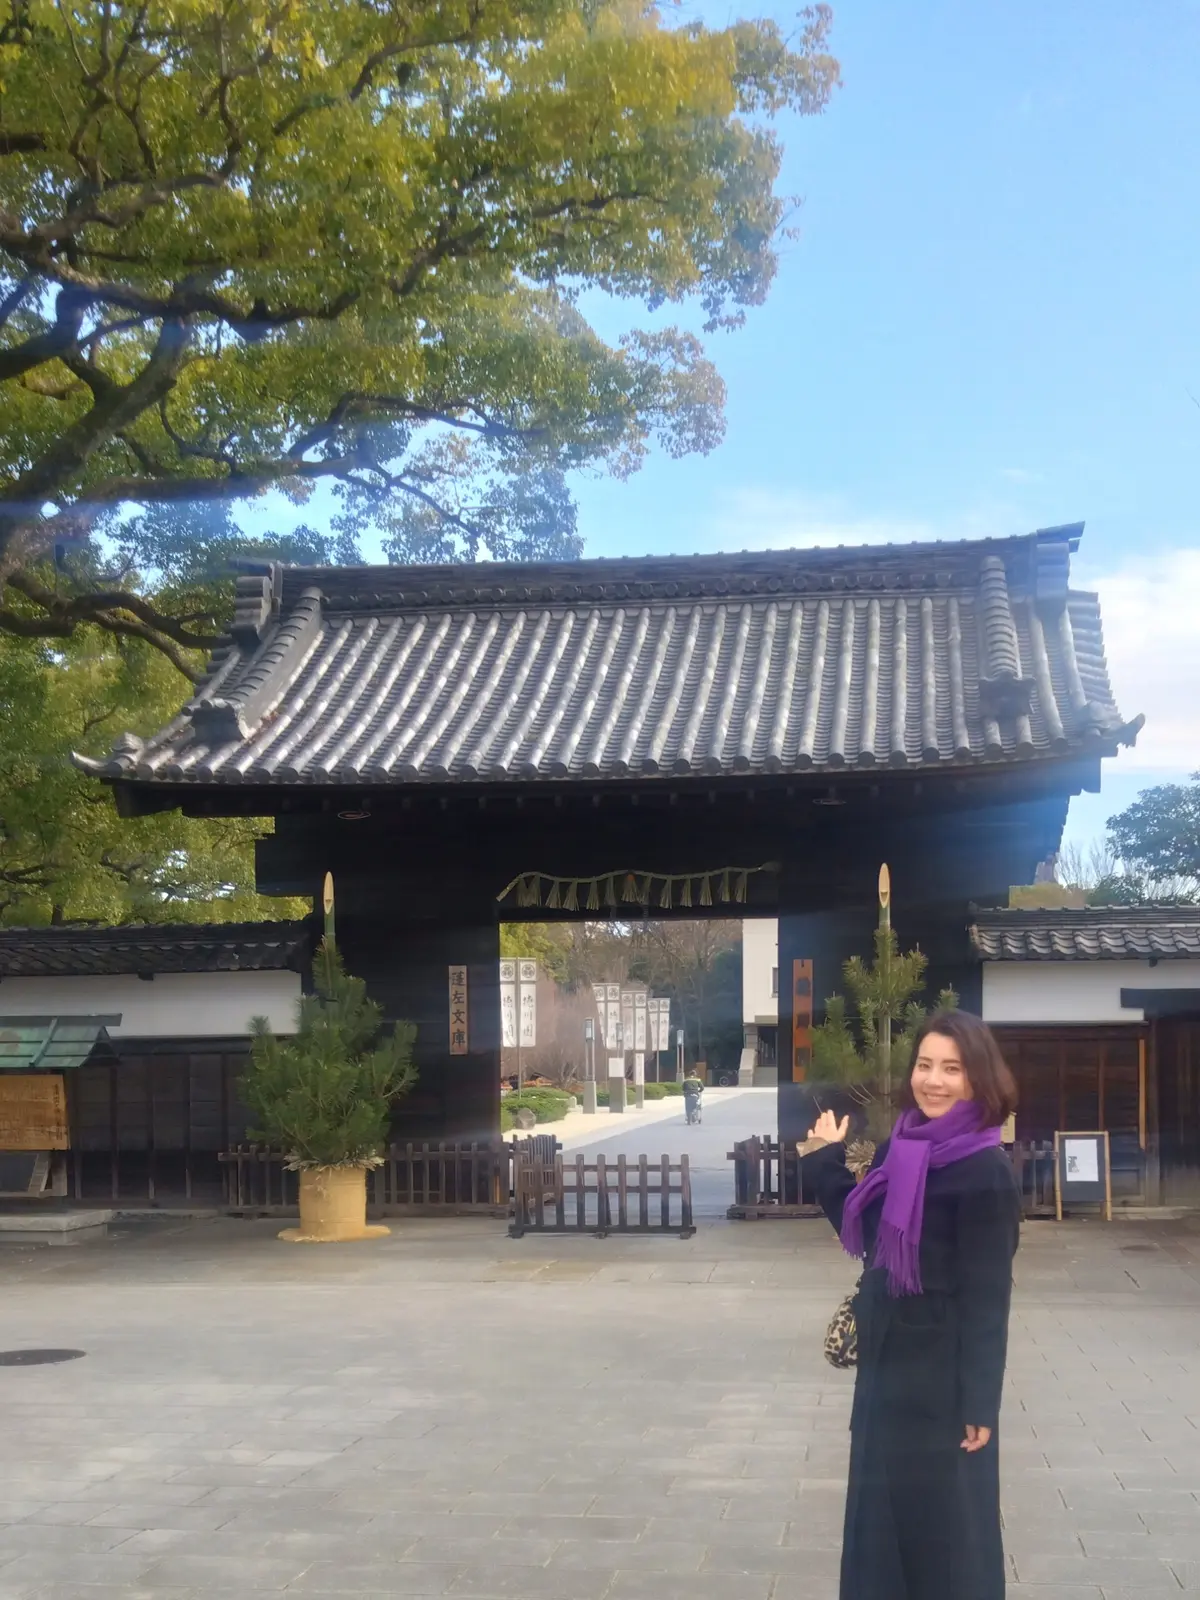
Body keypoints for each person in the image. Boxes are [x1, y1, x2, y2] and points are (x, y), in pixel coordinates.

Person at [799, 1010, 1021, 1600]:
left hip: (942, 1383)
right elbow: (874, 1235)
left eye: (952, 1068)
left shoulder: (985, 1169)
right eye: (925, 1065)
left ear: (978, 1079)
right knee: (879, 1527)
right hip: (887, 1371)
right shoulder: (906, 1146)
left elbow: (988, 1297)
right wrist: (827, 1156)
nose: (935, 1080)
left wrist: (980, 1400)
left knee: (944, 1535)